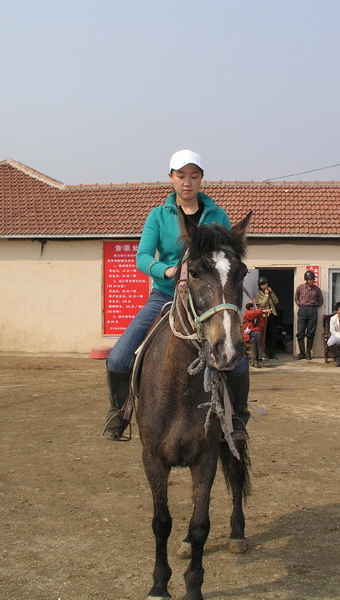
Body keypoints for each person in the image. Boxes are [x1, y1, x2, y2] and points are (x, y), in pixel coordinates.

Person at [103, 150, 250, 441]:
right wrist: (165, 270)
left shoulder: (217, 215)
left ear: (201, 180)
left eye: (194, 176)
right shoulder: (158, 216)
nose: (187, 182)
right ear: (171, 178)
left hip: (206, 300)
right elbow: (142, 256)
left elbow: (224, 257)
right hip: (164, 296)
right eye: (181, 176)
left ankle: (237, 419)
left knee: (239, 360)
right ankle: (119, 413)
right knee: (118, 357)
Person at [294, 271, 323, 360]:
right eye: (310, 279)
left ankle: (308, 352)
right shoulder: (300, 287)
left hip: (313, 310)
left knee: (311, 332)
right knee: (300, 332)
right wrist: (301, 305)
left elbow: (320, 300)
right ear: (306, 279)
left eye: (312, 279)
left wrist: (314, 307)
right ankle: (301, 352)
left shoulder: (316, 289)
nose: (311, 281)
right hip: (303, 309)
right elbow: (296, 298)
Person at [255, 276, 280, 359]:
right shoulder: (258, 294)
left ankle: (272, 353)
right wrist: (266, 295)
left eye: (265, 284)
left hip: (272, 314)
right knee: (264, 334)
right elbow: (261, 305)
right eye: (262, 284)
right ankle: (264, 353)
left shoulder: (270, 292)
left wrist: (271, 293)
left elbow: (276, 301)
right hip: (263, 315)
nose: (264, 286)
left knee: (273, 334)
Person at [242, 302, 266, 368]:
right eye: (255, 306)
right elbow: (252, 313)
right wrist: (261, 311)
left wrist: (252, 330)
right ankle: (262, 354)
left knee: (254, 339)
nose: (257, 308)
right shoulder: (247, 313)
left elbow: (261, 327)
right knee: (257, 334)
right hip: (246, 333)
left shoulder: (259, 315)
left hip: (253, 333)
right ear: (251, 308)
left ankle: (255, 362)